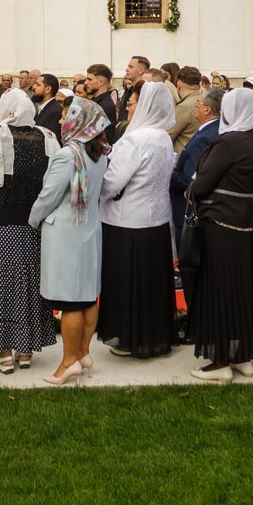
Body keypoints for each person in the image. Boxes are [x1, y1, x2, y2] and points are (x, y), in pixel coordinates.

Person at [186, 89, 253, 381]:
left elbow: (200, 185)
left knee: (220, 289)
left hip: (223, 225)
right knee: (246, 288)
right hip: (252, 224)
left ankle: (220, 361)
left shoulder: (229, 142)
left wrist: (192, 187)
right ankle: (243, 355)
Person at [30, 98, 111, 386]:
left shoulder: (68, 155)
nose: (64, 119)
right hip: (89, 230)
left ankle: (68, 363)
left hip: (66, 233)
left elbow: (49, 195)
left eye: (68, 115)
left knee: (70, 301)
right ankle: (84, 353)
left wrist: (33, 219)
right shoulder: (100, 153)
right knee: (88, 295)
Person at [94, 80, 177, 360]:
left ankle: (130, 336)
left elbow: (113, 181)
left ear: (144, 106)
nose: (127, 106)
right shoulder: (163, 136)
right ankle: (155, 335)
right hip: (156, 220)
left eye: (131, 103)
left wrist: (97, 190)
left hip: (126, 221)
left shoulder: (135, 139)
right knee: (151, 282)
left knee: (127, 283)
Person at [0, 88, 56, 374]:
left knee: (2, 283)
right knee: (30, 280)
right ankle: (25, 350)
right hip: (35, 221)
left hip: (1, 219)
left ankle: (4, 352)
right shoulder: (48, 137)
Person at [170, 87, 224, 245]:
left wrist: (171, 172)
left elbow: (190, 179)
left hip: (187, 208)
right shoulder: (211, 130)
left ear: (207, 109)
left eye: (198, 103)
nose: (195, 106)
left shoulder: (207, 136)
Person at [31, 72, 65, 137]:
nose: (34, 87)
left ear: (48, 89)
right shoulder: (43, 107)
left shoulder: (55, 112)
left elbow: (49, 141)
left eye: (38, 85)